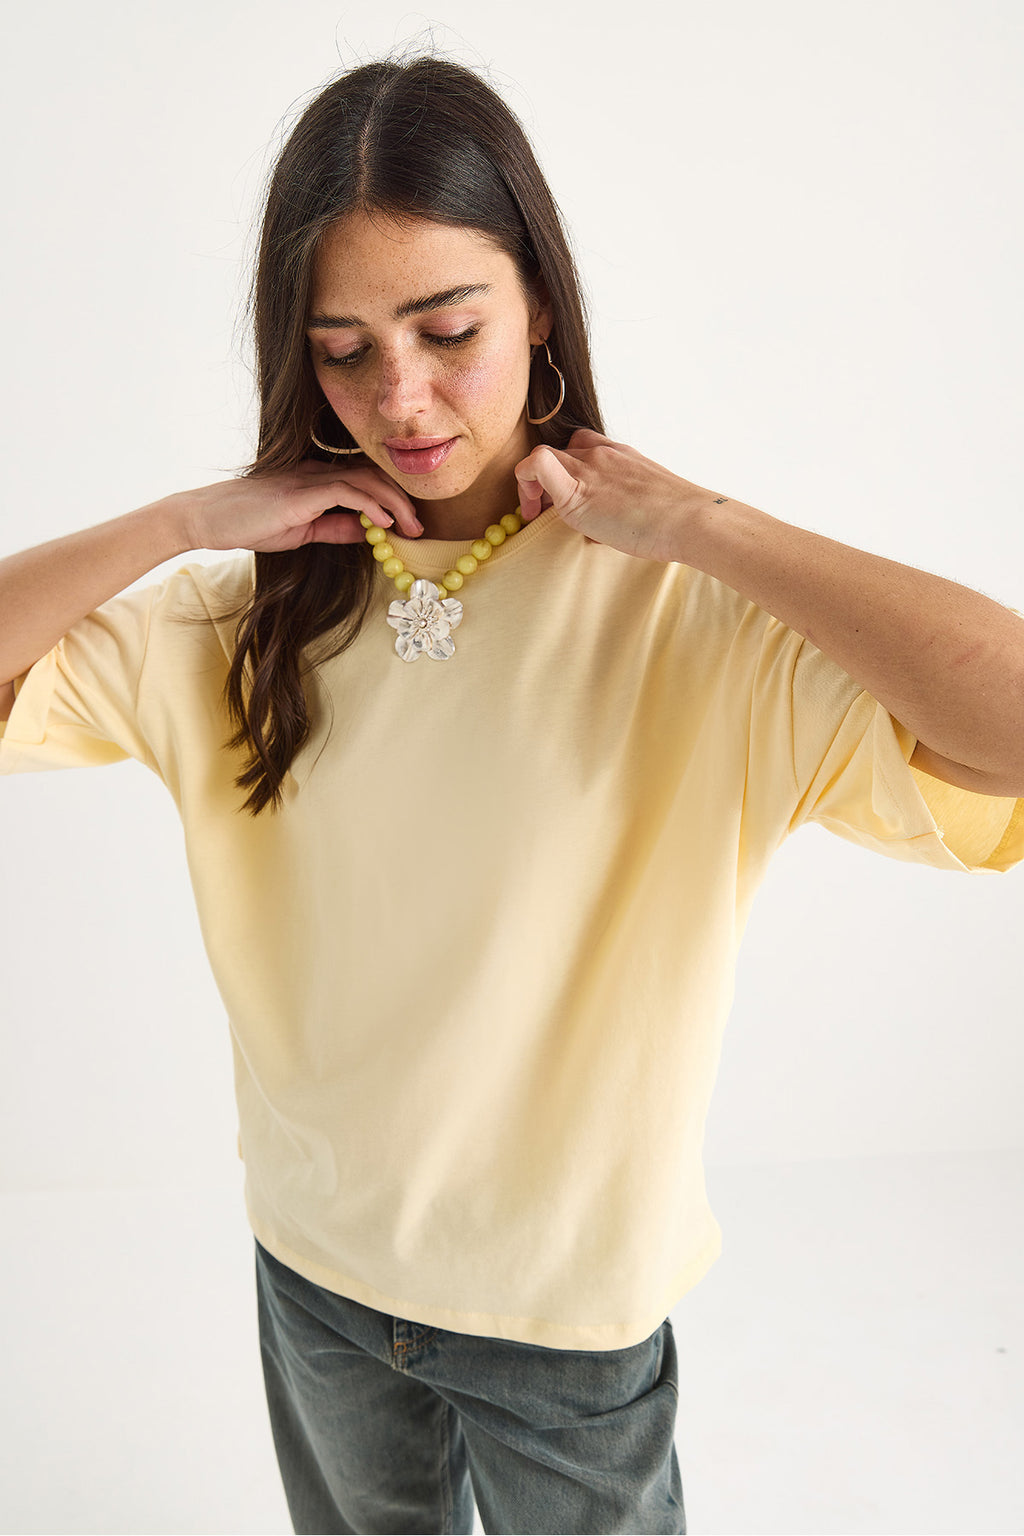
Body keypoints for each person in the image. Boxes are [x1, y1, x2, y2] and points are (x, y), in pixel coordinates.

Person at [1, 51, 1022, 1536]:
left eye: (448, 330)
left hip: (564, 1324)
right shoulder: (232, 621)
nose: (400, 398)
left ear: (539, 301)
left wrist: (704, 524)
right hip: (317, 1278)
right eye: (342, 350)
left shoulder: (690, 625)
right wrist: (185, 518)